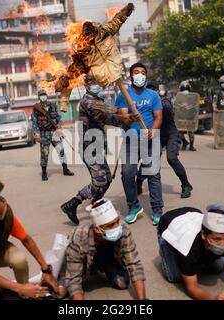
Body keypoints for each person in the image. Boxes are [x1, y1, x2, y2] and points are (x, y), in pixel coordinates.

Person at [60, 76, 140, 225]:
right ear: (86, 85)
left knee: (107, 179)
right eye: (92, 83)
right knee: (100, 181)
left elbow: (111, 111)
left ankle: (95, 203)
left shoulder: (98, 100)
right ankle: (72, 204)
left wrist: (125, 116)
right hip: (89, 147)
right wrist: (126, 119)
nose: (96, 85)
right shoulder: (88, 101)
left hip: (95, 146)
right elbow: (104, 118)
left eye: (98, 82)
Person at [60, 198, 146, 300]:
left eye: (117, 221)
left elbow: (134, 264)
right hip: (82, 264)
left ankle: (103, 268)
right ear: (97, 229)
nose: (117, 227)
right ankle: (89, 270)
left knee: (122, 282)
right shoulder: (79, 237)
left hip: (109, 259)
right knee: (63, 291)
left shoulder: (123, 229)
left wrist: (143, 300)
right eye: (110, 225)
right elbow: (74, 280)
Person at [158, 204, 224, 300]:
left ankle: (195, 262)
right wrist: (213, 299)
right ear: (203, 234)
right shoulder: (187, 248)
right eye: (217, 239)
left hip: (193, 212)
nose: (222, 244)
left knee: (218, 268)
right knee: (175, 277)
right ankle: (167, 251)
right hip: (169, 227)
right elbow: (191, 287)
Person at [116, 62, 164, 226]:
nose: (140, 75)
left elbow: (158, 117)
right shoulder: (123, 95)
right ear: (130, 77)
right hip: (131, 141)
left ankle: (157, 210)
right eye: (136, 72)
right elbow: (123, 118)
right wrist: (131, 118)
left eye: (143, 72)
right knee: (127, 174)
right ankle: (134, 207)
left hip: (150, 141)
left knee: (153, 175)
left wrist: (153, 130)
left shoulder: (153, 95)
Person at [136, 81, 193, 199]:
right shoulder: (144, 104)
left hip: (170, 134)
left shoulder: (165, 101)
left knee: (172, 158)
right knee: (149, 161)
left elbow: (167, 107)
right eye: (149, 89)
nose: (152, 91)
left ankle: (186, 184)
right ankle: (139, 181)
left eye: (154, 89)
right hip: (155, 135)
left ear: (158, 90)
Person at [33, 89, 74, 181]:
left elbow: (58, 117)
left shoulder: (53, 105)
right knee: (44, 154)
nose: (43, 96)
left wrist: (59, 125)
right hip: (44, 133)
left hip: (54, 132)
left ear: (46, 95)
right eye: (41, 95)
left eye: (44, 94)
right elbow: (35, 122)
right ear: (39, 97)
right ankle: (44, 173)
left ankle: (65, 169)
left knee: (61, 150)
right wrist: (37, 134)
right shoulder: (37, 107)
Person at [178, 81, 198, 151]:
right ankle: (184, 142)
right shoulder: (178, 97)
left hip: (190, 116)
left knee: (191, 132)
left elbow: (195, 106)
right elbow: (176, 106)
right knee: (179, 131)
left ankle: (191, 146)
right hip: (181, 116)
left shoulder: (192, 97)